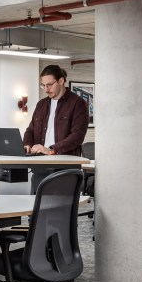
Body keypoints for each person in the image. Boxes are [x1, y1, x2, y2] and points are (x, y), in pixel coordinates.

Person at [23, 64, 89, 192]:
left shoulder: (77, 103)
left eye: (49, 85)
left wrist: (51, 150)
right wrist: (27, 144)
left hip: (64, 169)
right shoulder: (41, 104)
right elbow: (30, 129)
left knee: (59, 210)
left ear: (61, 80)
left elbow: (77, 136)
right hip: (40, 167)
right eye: (43, 85)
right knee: (35, 208)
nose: (46, 89)